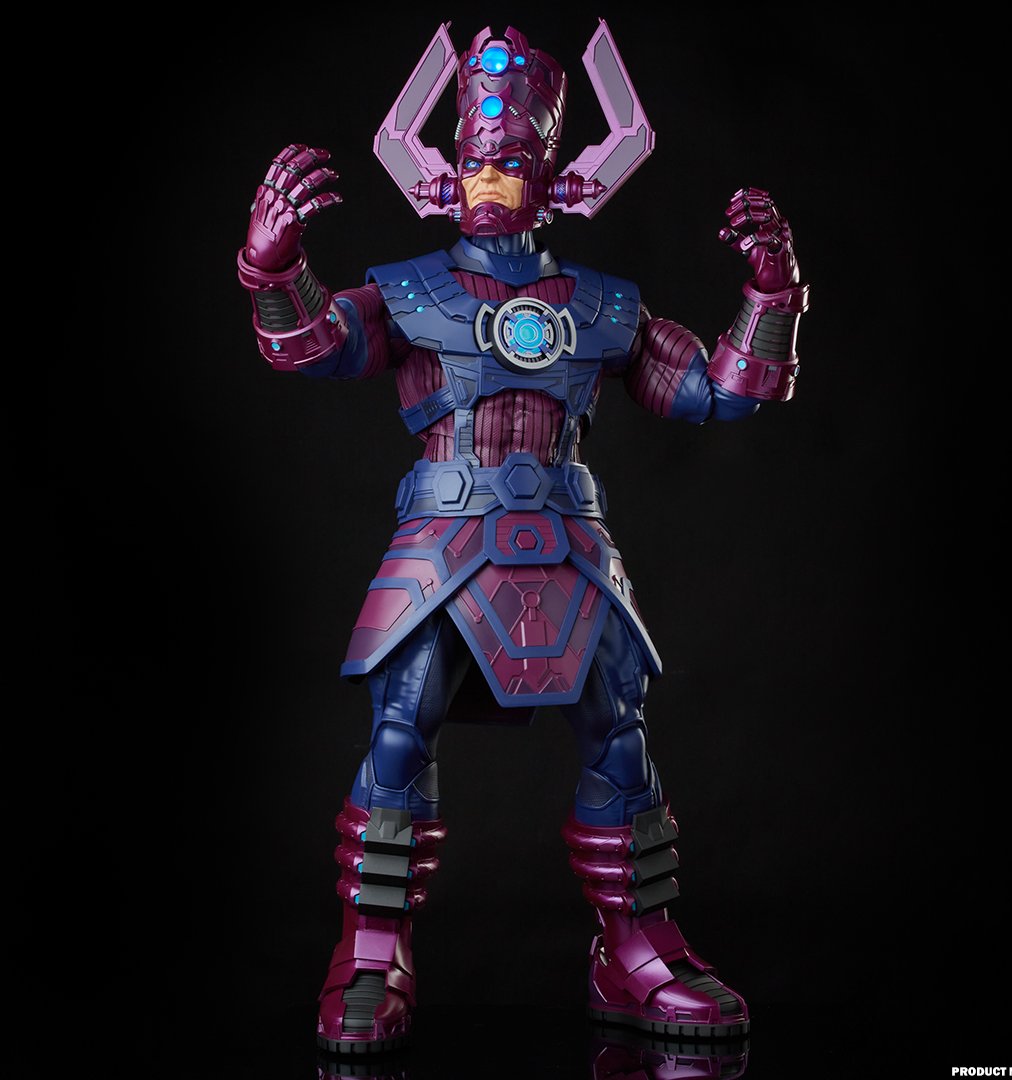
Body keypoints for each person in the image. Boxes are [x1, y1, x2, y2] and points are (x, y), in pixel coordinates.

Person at [237, 22, 808, 1055]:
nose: (489, 174)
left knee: (618, 729)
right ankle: (372, 952)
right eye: (476, 157)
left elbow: (714, 391)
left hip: (571, 546)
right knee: (401, 726)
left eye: (510, 159)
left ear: (556, 177)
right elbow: (315, 343)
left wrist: (772, 295)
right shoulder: (409, 292)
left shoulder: (603, 305)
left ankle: (638, 953)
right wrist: (272, 266)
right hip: (443, 543)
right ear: (444, 166)